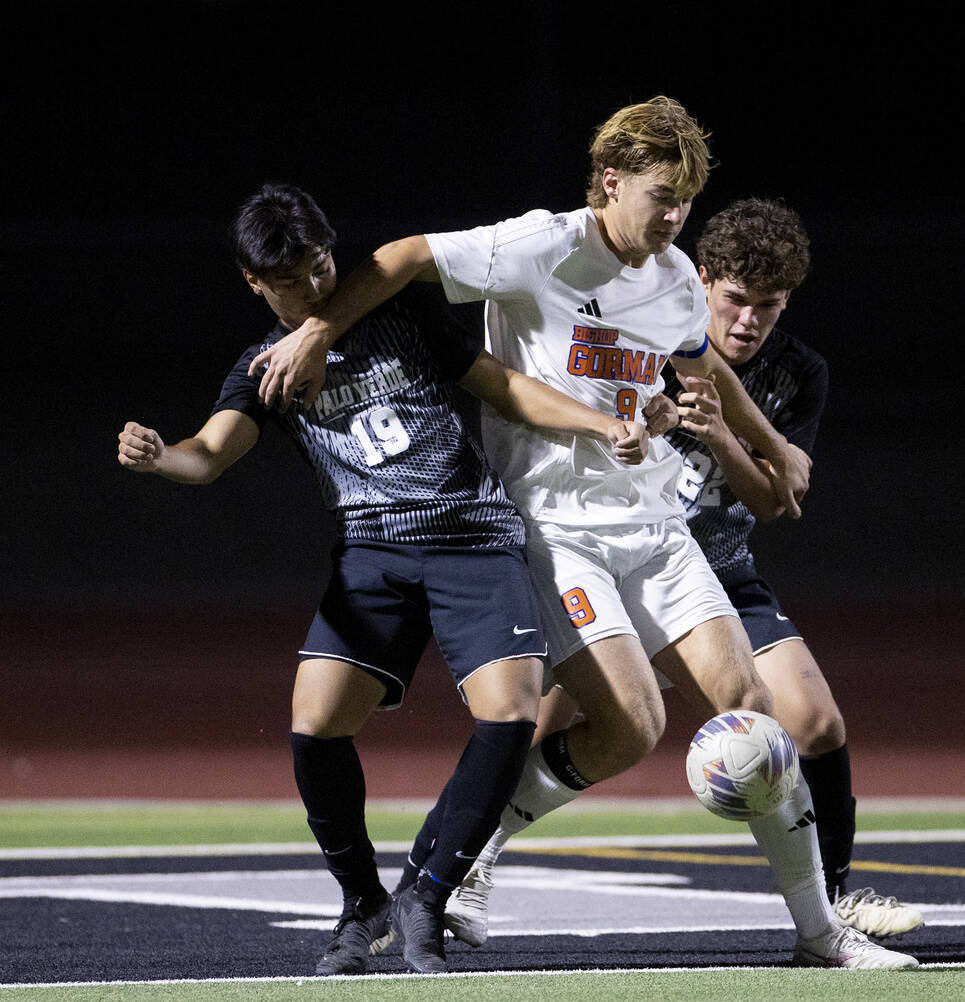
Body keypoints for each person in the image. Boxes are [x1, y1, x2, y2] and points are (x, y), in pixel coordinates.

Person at [248, 98, 917, 970]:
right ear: (610, 182)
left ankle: (819, 935)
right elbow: (406, 257)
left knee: (755, 715)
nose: (675, 217)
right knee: (630, 728)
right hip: (557, 527)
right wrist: (317, 327)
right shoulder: (541, 244)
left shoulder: (675, 274)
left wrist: (769, 441)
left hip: (653, 523)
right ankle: (462, 854)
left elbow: (696, 358)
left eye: (685, 199)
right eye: (661, 196)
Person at [116, 183, 650, 976]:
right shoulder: (263, 368)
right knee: (314, 719)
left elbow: (498, 383)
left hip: (473, 536)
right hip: (374, 555)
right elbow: (212, 450)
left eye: (321, 265)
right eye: (291, 280)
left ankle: (427, 897)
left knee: (509, 713)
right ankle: (363, 904)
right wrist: (163, 458)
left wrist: (601, 421)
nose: (316, 287)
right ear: (253, 283)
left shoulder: (397, 312)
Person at [537, 197, 924, 938]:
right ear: (702, 280)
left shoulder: (800, 372)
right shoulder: (646, 337)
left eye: (768, 308)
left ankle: (832, 900)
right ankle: (449, 873)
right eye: (735, 301)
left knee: (813, 724)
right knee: (546, 729)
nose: (748, 321)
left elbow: (778, 502)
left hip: (721, 569)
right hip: (620, 563)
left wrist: (722, 437)